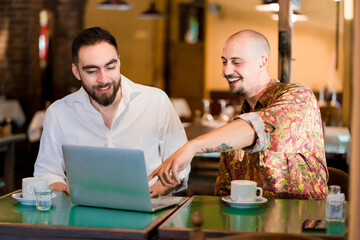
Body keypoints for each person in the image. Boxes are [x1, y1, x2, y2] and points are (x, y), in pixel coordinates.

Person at [149, 29, 328, 200]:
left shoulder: (298, 97)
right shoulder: (235, 126)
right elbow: (224, 192)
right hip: (249, 226)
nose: (226, 71)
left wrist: (192, 147)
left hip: (301, 224)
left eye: (236, 62)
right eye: (224, 61)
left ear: (262, 62)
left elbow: (259, 126)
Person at [34, 26, 190, 197]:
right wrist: (66, 188)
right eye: (92, 71)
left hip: (152, 211)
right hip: (84, 216)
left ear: (119, 62)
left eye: (110, 67)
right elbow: (46, 173)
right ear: (76, 72)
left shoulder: (156, 101)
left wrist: (156, 191)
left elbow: (180, 162)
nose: (104, 79)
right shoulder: (59, 113)